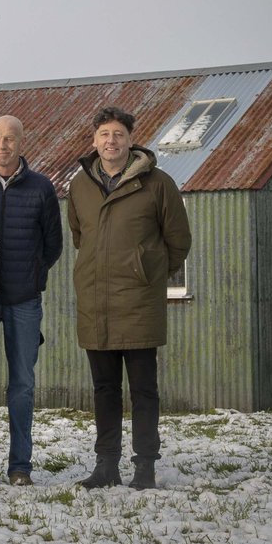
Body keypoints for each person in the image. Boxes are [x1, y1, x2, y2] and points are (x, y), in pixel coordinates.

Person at [67, 107, 191, 490]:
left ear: (130, 139)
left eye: (118, 134)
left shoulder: (158, 183)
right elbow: (79, 237)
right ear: (94, 140)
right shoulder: (80, 185)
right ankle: (106, 465)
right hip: (96, 303)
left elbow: (178, 242)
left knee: (143, 390)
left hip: (138, 303)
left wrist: (146, 272)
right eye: (104, 133)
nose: (111, 141)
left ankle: (145, 467)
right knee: (104, 390)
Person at [0, 115, 62, 486]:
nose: (3, 146)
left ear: (23, 141)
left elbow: (52, 243)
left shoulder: (41, 187)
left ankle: (20, 465)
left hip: (24, 300)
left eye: (10, 139)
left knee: (22, 384)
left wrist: (35, 275)